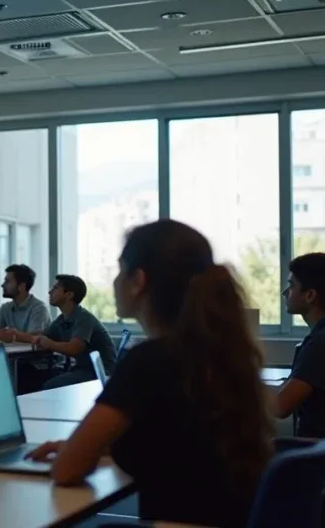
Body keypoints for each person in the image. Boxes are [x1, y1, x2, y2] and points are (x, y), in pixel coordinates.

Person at [25, 219, 275, 527]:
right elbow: (177, 446)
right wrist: (98, 449)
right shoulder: (220, 353)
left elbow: (65, 471)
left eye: (119, 270)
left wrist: (79, 451)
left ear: (138, 281)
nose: (115, 282)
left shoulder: (150, 361)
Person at [23, 274, 115, 390]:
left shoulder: (83, 318)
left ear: (69, 295)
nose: (49, 292)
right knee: (31, 376)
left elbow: (74, 348)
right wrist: (15, 335)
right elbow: (42, 336)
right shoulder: (63, 318)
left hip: (98, 373)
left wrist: (49, 343)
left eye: (55, 288)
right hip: (82, 369)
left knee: (49, 386)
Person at [274, 252, 325, 438]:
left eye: (291, 285)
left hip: (314, 454)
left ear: (310, 295)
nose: (285, 293)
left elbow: (280, 407)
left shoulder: (319, 344)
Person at [0, 264, 51, 342]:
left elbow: (35, 338)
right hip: (13, 352)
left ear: (21, 286)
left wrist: (13, 335)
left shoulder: (39, 308)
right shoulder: (6, 308)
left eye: (7, 281)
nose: (2, 285)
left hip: (34, 354)